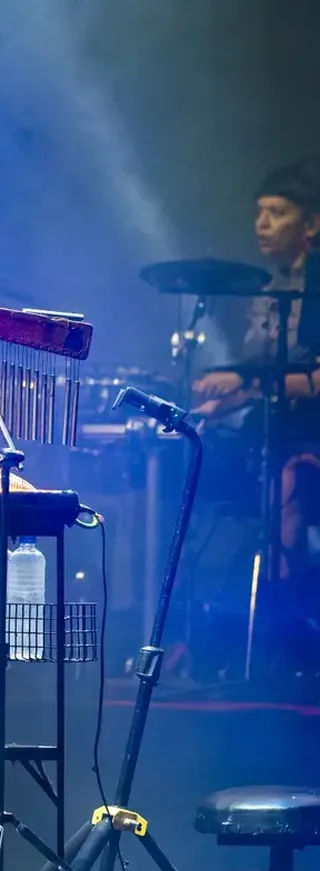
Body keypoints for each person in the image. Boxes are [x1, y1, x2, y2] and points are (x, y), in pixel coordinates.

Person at [193, 158, 320, 669]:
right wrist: (218, 402)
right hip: (278, 427)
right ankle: (225, 634)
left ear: (311, 224)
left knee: (286, 493)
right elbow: (263, 377)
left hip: (308, 432)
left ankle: (286, 628)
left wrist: (244, 385)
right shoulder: (270, 290)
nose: (262, 224)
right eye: (260, 212)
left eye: (278, 212)